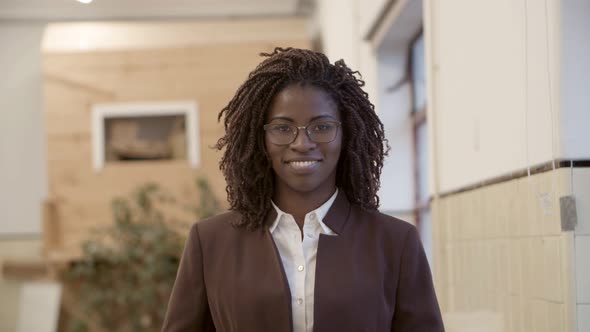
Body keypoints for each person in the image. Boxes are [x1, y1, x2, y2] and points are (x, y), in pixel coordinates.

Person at [161, 47, 444, 332]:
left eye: (321, 127)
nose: (302, 143)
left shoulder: (395, 242)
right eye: (283, 129)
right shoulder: (210, 242)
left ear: (346, 135)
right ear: (260, 139)